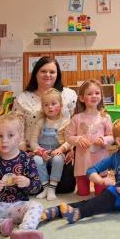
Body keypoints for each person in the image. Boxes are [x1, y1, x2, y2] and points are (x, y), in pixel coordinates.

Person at [44, 118, 120, 224]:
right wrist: (101, 180)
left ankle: (79, 213)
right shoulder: (114, 158)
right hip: (118, 193)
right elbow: (91, 170)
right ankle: (57, 210)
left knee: (104, 197)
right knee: (98, 200)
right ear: (119, 141)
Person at [12, 56, 76, 193]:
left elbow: (75, 124)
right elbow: (17, 129)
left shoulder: (69, 95)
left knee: (66, 187)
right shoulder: (22, 99)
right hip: (32, 153)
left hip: (61, 152)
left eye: (52, 72)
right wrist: (24, 153)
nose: (48, 75)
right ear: (35, 73)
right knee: (32, 188)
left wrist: (71, 148)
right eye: (43, 71)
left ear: (57, 74)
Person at [66, 79, 113, 196]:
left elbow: (113, 136)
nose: (94, 96)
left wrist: (103, 140)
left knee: (101, 195)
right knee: (82, 193)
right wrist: (78, 139)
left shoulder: (105, 117)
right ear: (82, 98)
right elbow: (68, 136)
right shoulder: (76, 118)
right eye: (89, 94)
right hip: (82, 162)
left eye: (97, 93)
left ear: (101, 96)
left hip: (100, 162)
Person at [30, 88, 70, 201]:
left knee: (58, 160)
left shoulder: (65, 122)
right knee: (36, 160)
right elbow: (33, 141)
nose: (50, 107)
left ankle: (52, 187)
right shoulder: (40, 122)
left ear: (61, 105)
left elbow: (69, 141)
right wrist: (40, 151)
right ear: (42, 108)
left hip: (56, 151)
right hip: (42, 152)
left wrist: (61, 149)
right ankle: (45, 187)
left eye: (53, 104)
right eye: (46, 105)